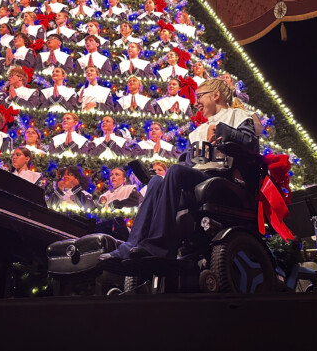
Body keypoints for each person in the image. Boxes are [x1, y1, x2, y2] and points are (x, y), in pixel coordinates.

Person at [100, 78, 261, 262]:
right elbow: (188, 161)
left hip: (224, 177)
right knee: (155, 181)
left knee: (175, 172)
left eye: (200, 96)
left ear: (216, 95)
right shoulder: (197, 131)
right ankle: (131, 245)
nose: (196, 102)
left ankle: (158, 247)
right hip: (198, 174)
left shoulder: (239, 116)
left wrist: (221, 131)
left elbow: (250, 143)